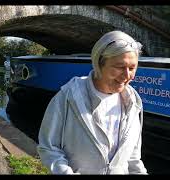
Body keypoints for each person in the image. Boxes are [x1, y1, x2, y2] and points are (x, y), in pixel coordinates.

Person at [37, 30, 148, 174]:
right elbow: (48, 148)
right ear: (99, 64)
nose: (127, 75)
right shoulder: (68, 97)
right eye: (120, 67)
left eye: (132, 68)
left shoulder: (133, 103)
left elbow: (133, 158)